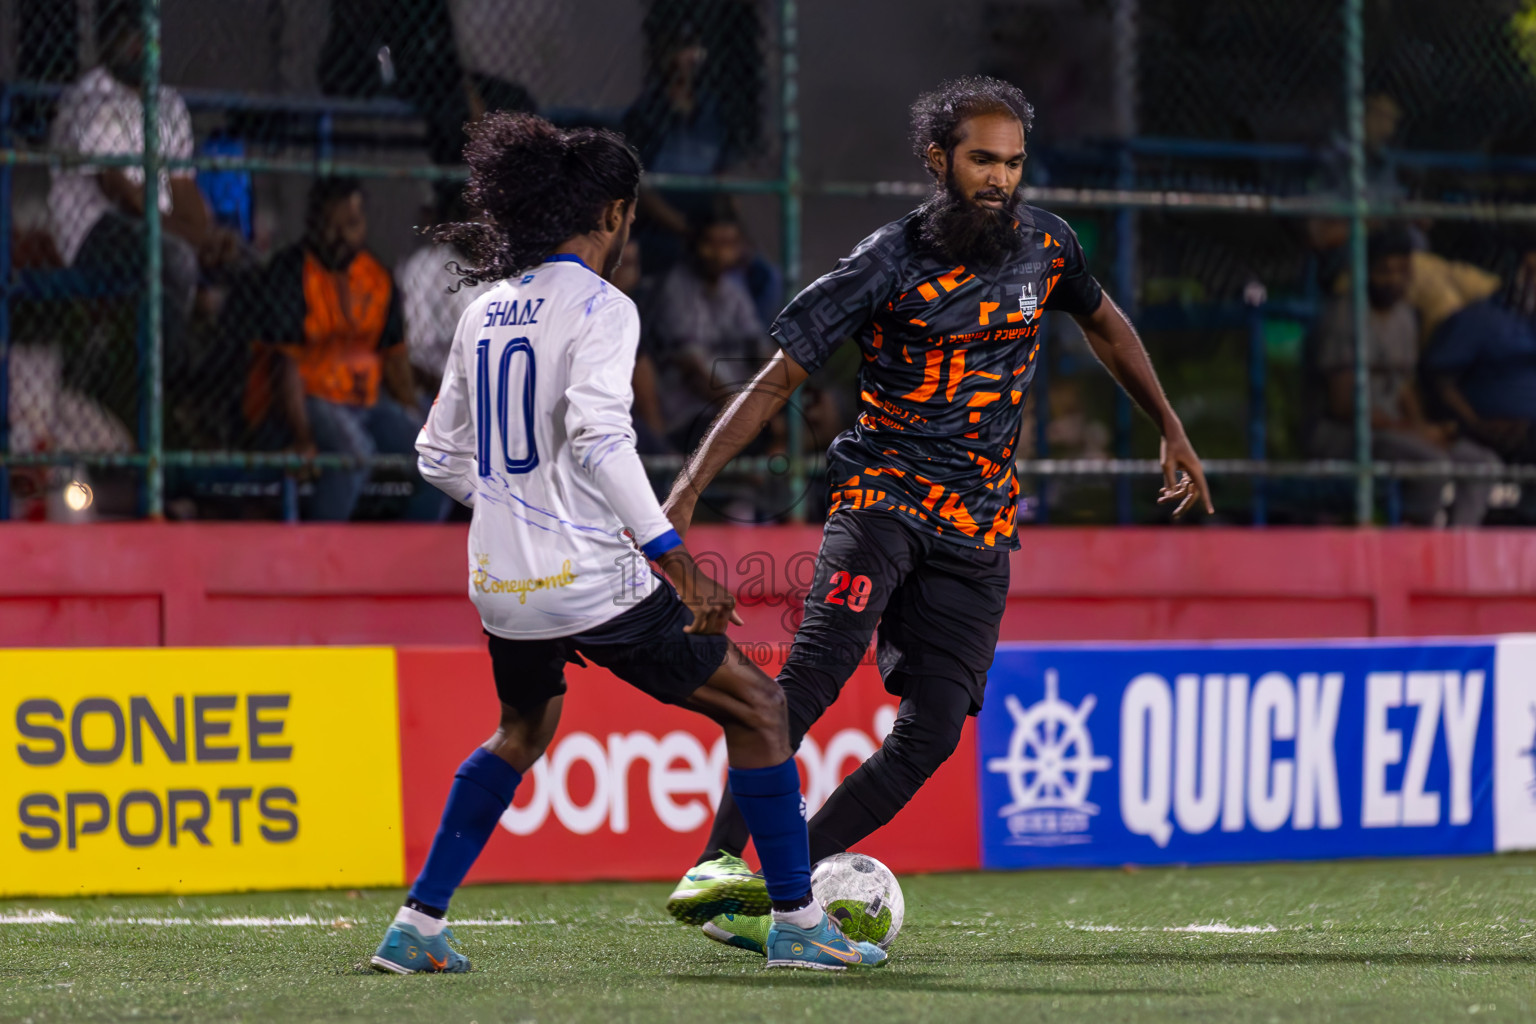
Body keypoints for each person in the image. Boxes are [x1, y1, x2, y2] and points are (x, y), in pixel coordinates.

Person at [659, 76, 1213, 952]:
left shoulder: (1049, 248)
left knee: (932, 735)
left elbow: (1107, 325)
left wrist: (1172, 427)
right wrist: (686, 489)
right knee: (813, 673)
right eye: (982, 159)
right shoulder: (886, 260)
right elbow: (778, 378)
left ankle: (775, 888)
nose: (1000, 178)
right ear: (939, 160)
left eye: (1014, 162)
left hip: (981, 525)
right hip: (882, 497)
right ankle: (713, 861)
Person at [372, 112, 885, 974]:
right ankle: (798, 922)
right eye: (631, 216)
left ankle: (417, 926)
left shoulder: (486, 309)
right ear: (611, 213)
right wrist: (676, 564)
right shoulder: (602, 307)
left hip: (501, 585)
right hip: (591, 581)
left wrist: (517, 508)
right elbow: (603, 440)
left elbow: (434, 455)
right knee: (759, 709)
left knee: (521, 731)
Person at [46, 0, 237, 423]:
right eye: (125, 34)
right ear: (107, 40)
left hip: (160, 226)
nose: (135, 45)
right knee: (174, 259)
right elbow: (121, 195)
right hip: (94, 230)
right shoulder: (91, 97)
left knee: (245, 266)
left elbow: (185, 192)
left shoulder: (168, 104)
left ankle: (217, 398)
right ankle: (161, 393)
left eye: (142, 34)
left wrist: (208, 236)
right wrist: (194, 241)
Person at [252, 177, 444, 522]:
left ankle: (404, 561)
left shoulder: (377, 277)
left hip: (368, 402)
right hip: (313, 397)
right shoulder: (290, 271)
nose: (341, 236)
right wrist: (302, 436)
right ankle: (321, 555)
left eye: (351, 225)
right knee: (354, 453)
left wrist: (415, 418)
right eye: (330, 225)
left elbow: (394, 358)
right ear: (312, 224)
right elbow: (286, 366)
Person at [1310, 227, 1498, 526]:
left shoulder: (1406, 316)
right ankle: (1413, 545)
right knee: (1431, 465)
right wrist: (1413, 432)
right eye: (1385, 271)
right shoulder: (1344, 315)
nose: (1394, 280)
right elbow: (1344, 405)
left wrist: (1424, 428)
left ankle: (1460, 547)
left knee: (1482, 464)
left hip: (1397, 432)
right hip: (1344, 435)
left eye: (1403, 271)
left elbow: (1405, 387)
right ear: (1367, 271)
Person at [1422, 240, 1536, 469]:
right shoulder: (1480, 318)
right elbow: (1439, 381)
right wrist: (1475, 422)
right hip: (1482, 432)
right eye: (1531, 273)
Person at [396, 187, 495, 402]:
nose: (486, 225)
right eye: (477, 216)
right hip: (436, 388)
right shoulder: (426, 266)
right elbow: (415, 351)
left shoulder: (504, 274)